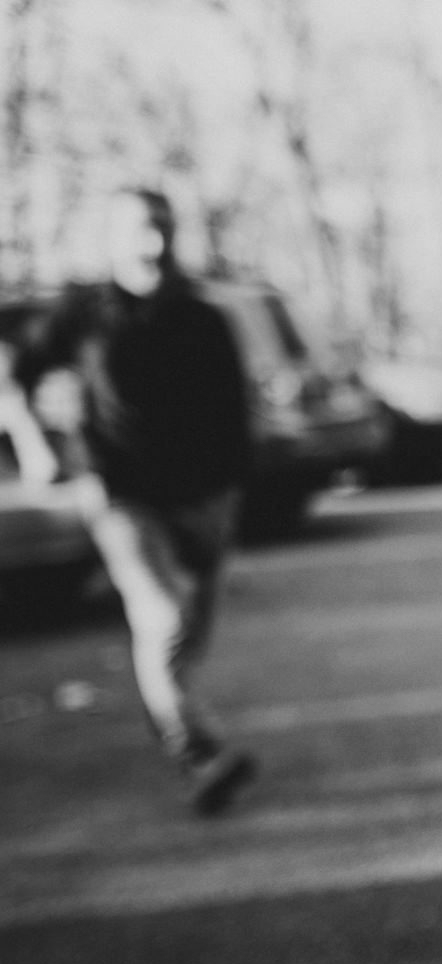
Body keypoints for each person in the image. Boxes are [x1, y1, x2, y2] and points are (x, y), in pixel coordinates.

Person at [0, 187, 258, 815]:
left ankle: (175, 711)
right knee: (163, 619)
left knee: (190, 633)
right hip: (120, 494)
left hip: (202, 494)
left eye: (163, 228)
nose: (154, 242)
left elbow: (236, 411)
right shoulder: (83, 314)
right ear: (113, 237)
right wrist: (33, 442)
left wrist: (229, 493)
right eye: (140, 229)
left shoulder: (203, 317)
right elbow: (13, 372)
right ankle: (198, 752)